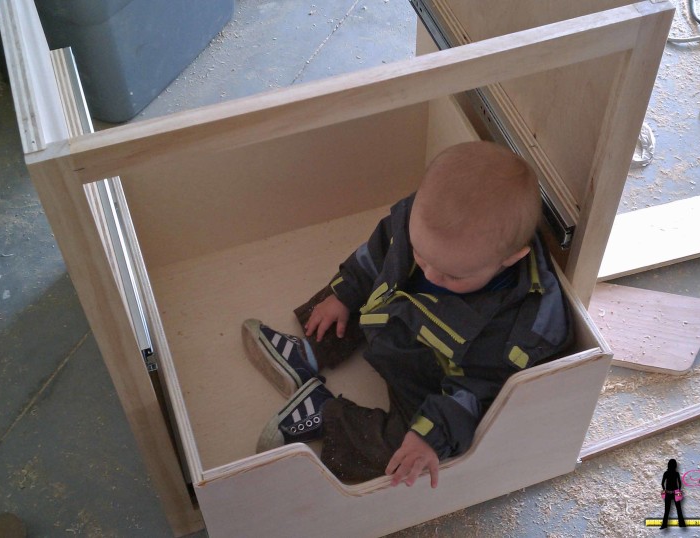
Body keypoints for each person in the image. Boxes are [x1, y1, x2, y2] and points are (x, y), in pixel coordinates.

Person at [242, 141, 572, 488]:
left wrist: (427, 436)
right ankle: (307, 352)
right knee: (358, 284)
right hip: (393, 316)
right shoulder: (422, 223)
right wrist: (343, 294)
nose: (430, 274)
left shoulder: (516, 331)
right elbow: (377, 251)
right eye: (420, 254)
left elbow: (475, 393)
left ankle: (325, 412)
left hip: (430, 380)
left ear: (510, 258)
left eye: (451, 276)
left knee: (407, 460)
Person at [660, 458, 687, 528]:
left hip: (668, 492)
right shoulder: (676, 473)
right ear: (675, 466)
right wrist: (679, 490)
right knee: (679, 509)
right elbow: (680, 483)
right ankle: (682, 524)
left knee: (667, 510)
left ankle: (664, 525)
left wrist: (664, 490)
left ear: (668, 465)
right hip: (676, 492)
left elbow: (662, 483)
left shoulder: (666, 473)